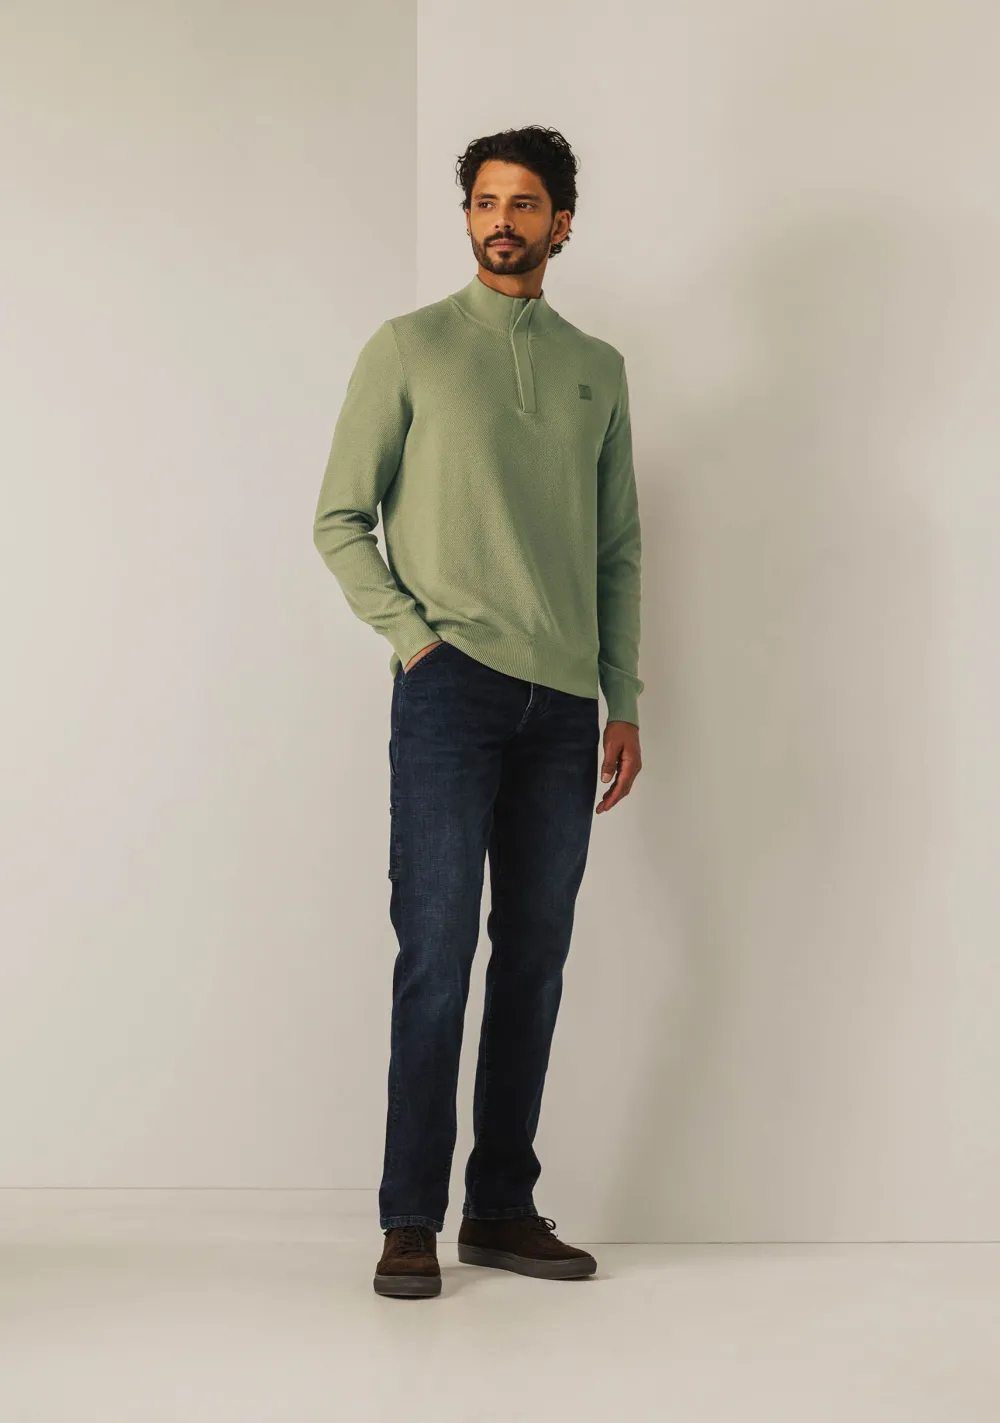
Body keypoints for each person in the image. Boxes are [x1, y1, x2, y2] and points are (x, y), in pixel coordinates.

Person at [312, 125, 644, 1299]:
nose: (503, 219)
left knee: (535, 960)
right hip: (448, 692)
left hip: (565, 706)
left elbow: (616, 548)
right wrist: (415, 642)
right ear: (466, 218)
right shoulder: (408, 347)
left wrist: (621, 696)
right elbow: (339, 518)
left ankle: (500, 1207)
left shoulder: (597, 366)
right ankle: (410, 1217)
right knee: (438, 957)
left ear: (562, 223)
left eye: (526, 203)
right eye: (486, 201)